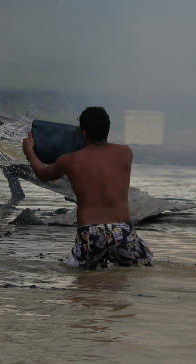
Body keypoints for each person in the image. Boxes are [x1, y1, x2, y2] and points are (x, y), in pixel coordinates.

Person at [22, 106, 153, 269]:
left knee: (81, 277)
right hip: (121, 229)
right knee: (140, 270)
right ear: (107, 130)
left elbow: (42, 173)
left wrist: (30, 151)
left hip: (90, 232)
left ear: (83, 133)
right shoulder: (125, 153)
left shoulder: (69, 161)